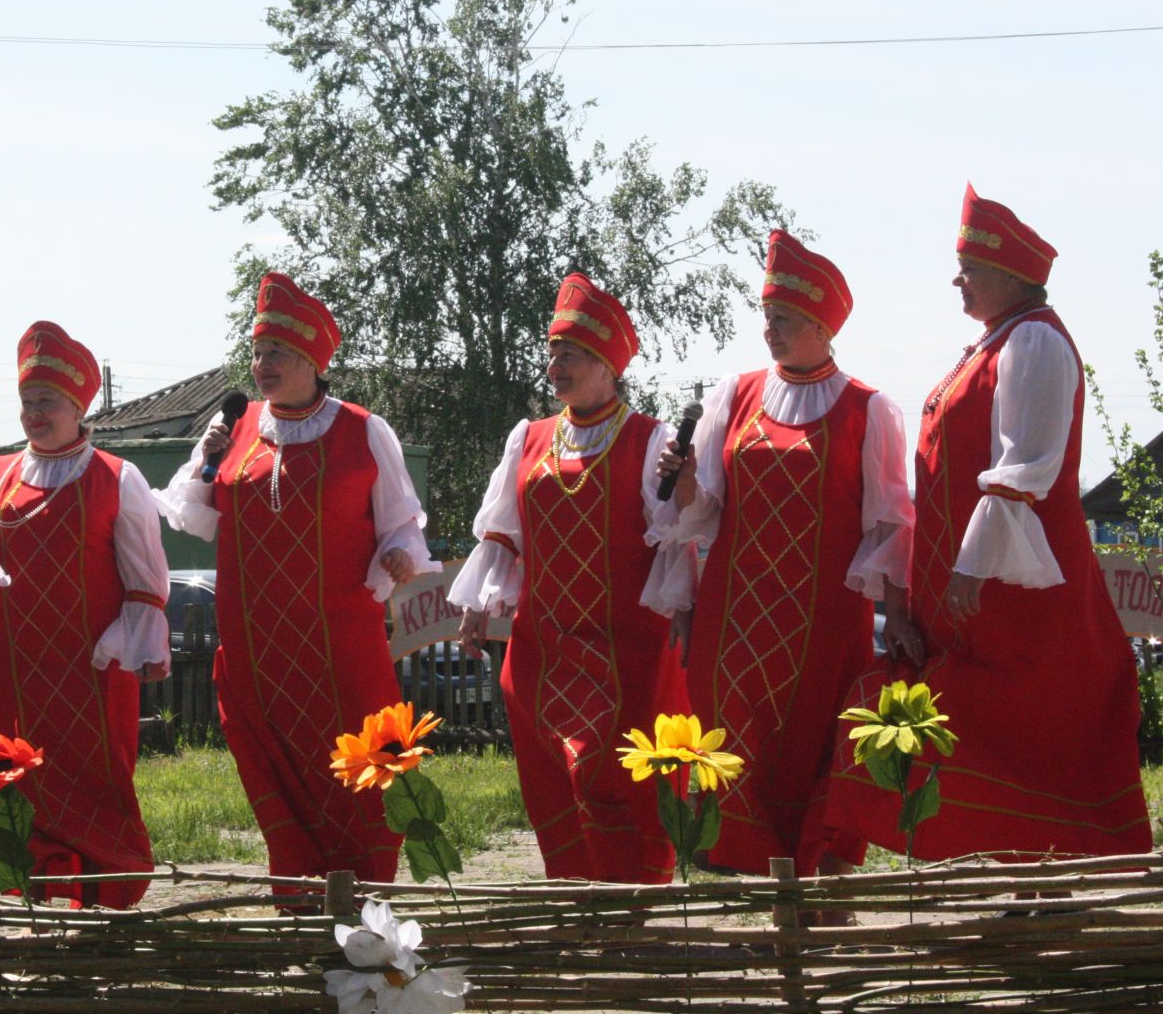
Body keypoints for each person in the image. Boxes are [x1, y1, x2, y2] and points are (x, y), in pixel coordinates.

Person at [824, 187, 1151, 861]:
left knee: (1018, 730)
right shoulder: (995, 343)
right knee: (946, 725)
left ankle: (1045, 881)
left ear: (1010, 275)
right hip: (976, 611)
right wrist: (915, 596)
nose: (957, 278)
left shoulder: (1033, 341)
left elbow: (1024, 465)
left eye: (969, 266)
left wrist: (969, 567)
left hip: (1017, 607)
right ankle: (1025, 882)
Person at [160, 273, 440, 906]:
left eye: (276, 353)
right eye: (256, 352)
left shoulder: (364, 430)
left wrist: (398, 553)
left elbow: (401, 520)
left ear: (313, 360)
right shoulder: (236, 426)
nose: (262, 365)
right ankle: (297, 900)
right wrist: (207, 455)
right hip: (258, 654)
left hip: (341, 648)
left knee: (362, 772)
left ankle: (366, 902)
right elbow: (198, 514)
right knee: (277, 774)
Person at [654, 231, 919, 881]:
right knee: (739, 751)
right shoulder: (734, 395)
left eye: (785, 318)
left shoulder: (868, 410)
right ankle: (758, 895)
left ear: (823, 325)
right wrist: (683, 476)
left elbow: (891, 522)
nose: (769, 329)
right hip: (735, 621)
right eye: (766, 315)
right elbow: (700, 511)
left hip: (823, 624)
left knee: (811, 753)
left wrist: (899, 613)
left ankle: (817, 894)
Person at [449, 274, 695, 882]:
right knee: (553, 778)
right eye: (553, 350)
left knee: (618, 777)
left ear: (609, 366)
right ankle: (575, 900)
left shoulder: (650, 441)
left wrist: (685, 487)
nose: (557, 362)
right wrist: (479, 606)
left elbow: (679, 535)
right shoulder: (528, 438)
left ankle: (630, 907)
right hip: (544, 648)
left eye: (574, 353)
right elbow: (503, 532)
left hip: (627, 655)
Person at [0, 320, 169, 909]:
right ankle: (31, 897)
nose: (34, 413)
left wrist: (137, 645)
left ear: (78, 405)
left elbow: (146, 579)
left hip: (86, 666)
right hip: (6, 666)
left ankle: (98, 897)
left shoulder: (118, 478)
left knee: (91, 781)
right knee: (11, 784)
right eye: (27, 401)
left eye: (48, 401)